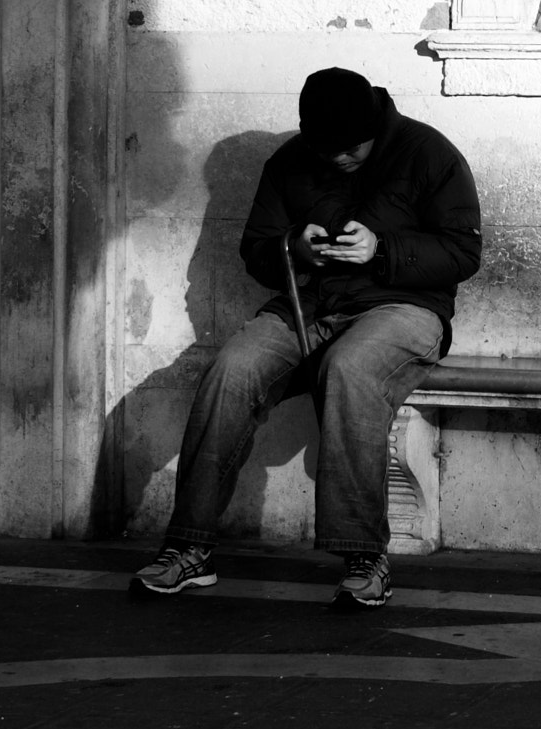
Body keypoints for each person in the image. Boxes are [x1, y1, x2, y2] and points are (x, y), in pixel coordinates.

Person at [134, 66, 483, 609]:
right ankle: (189, 549)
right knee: (233, 368)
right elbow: (257, 248)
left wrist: (383, 249)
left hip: (404, 308)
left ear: (375, 125)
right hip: (309, 306)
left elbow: (464, 254)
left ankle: (365, 557)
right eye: (327, 149)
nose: (338, 158)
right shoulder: (291, 160)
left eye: (350, 149)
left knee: (351, 367)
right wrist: (296, 247)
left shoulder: (429, 154)